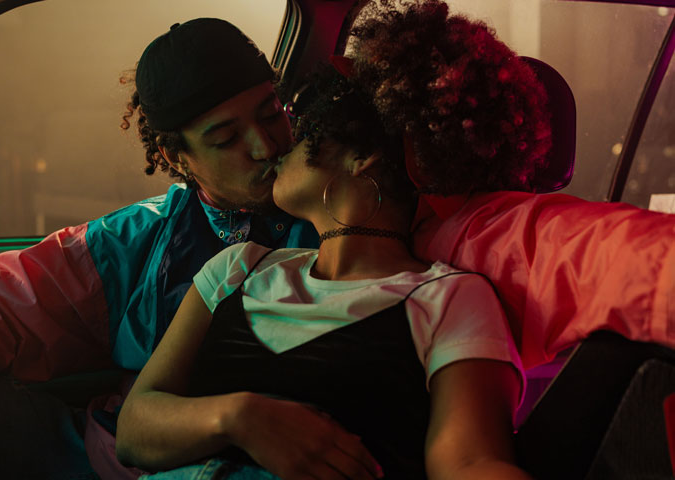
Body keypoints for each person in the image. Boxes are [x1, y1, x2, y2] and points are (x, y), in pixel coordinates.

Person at [0, 18, 317, 480]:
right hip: (93, 454)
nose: (264, 146)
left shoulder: (342, 213)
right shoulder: (141, 237)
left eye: (272, 113)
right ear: (177, 157)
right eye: (226, 138)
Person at [115, 4, 534, 478]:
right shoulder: (237, 267)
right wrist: (241, 417)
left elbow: (470, 462)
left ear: (362, 157)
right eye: (228, 137)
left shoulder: (448, 297)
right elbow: (132, 431)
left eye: (297, 127)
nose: (272, 147)